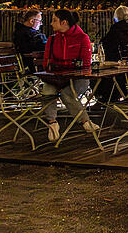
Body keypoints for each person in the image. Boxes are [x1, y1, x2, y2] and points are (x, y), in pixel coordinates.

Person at [40, 9, 99, 141]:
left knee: (67, 94)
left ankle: (85, 121)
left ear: (64, 22)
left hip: (78, 78)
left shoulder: (82, 38)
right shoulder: (53, 39)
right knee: (47, 91)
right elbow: (46, 62)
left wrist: (64, 65)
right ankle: (52, 123)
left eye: (54, 20)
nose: (51, 23)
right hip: (57, 77)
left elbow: (85, 64)